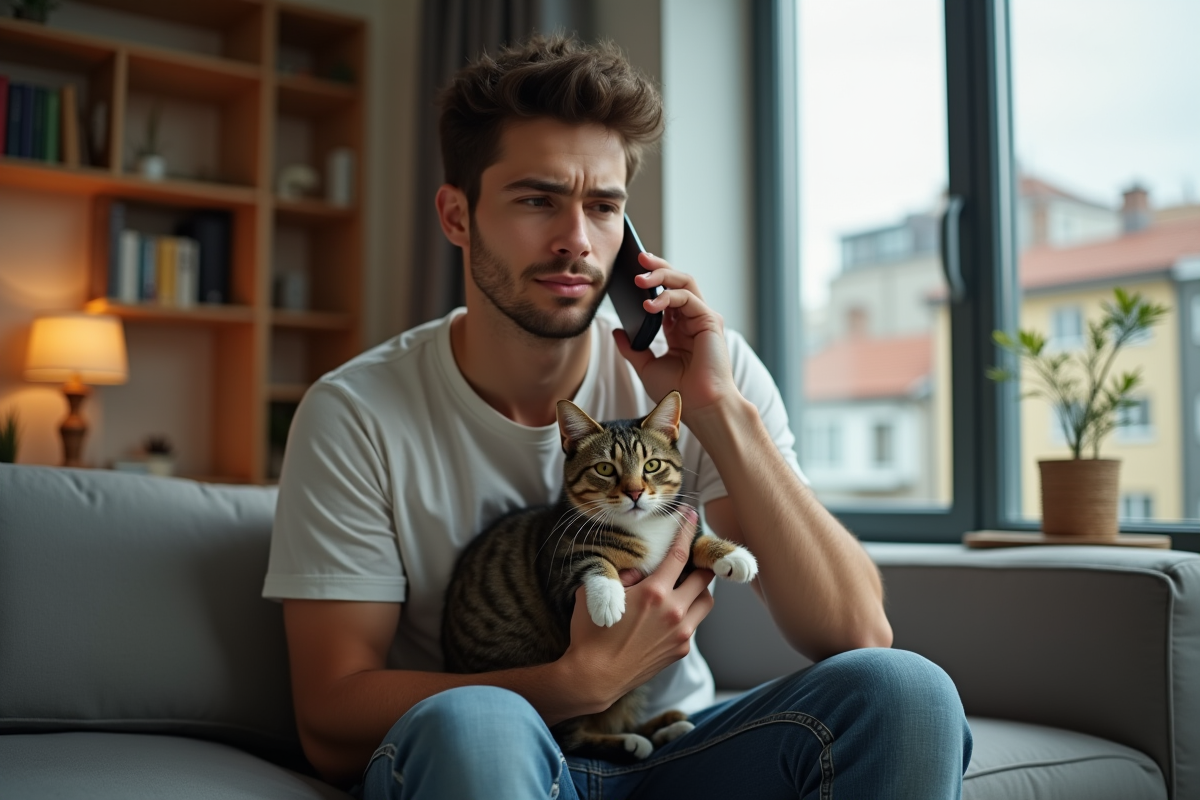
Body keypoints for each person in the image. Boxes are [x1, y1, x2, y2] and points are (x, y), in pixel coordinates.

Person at [263, 33, 972, 799]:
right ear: (457, 216)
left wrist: (719, 411)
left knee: (906, 692)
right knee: (477, 722)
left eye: (603, 207)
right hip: (498, 749)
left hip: (676, 748)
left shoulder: (703, 376)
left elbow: (856, 634)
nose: (575, 240)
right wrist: (574, 682)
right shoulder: (354, 414)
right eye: (537, 200)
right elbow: (331, 722)